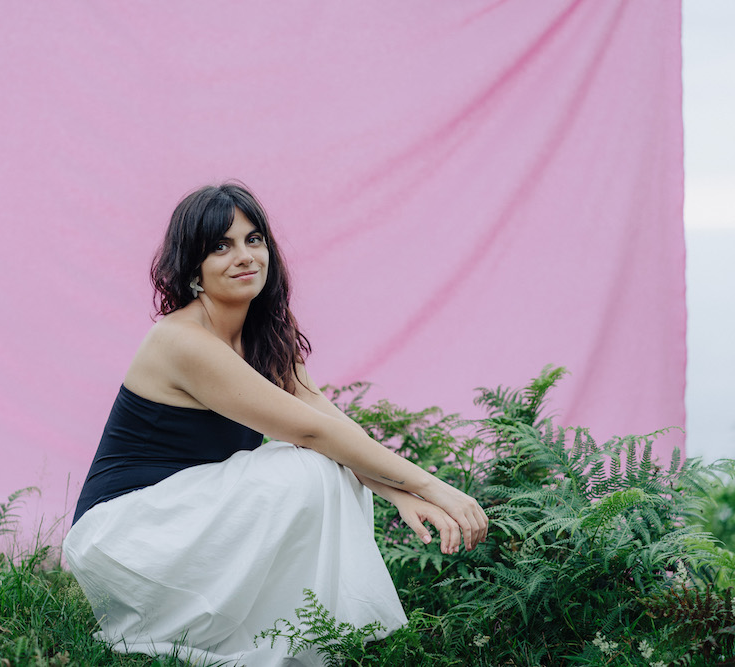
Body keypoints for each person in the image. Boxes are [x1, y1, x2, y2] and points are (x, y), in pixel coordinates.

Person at [63, 182, 488, 666]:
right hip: (129, 533)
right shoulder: (182, 340)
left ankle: (304, 638)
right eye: (221, 246)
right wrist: (433, 487)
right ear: (193, 267)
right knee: (304, 465)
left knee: (325, 463)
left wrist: (400, 492)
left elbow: (327, 421)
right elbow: (312, 434)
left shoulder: (264, 332)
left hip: (193, 517)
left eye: (254, 239)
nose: (244, 256)